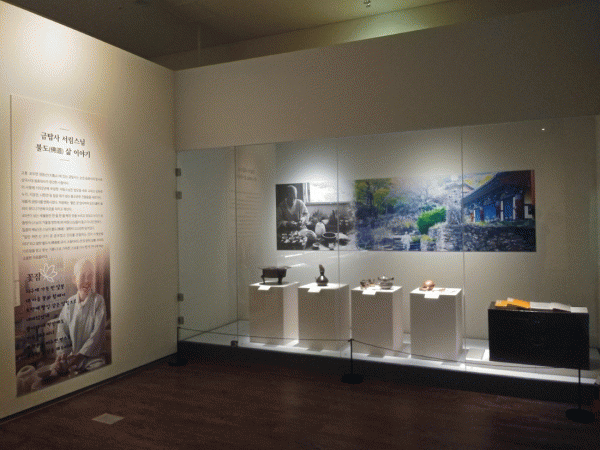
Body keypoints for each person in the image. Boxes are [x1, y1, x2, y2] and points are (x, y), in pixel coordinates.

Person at [53, 258, 106, 373]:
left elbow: (97, 335)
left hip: (91, 357)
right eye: (82, 276)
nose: (87, 280)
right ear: (74, 279)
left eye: (90, 276)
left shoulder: (98, 301)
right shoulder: (69, 303)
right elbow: (62, 333)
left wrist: (81, 355)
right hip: (73, 357)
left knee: (98, 366)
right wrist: (62, 355)